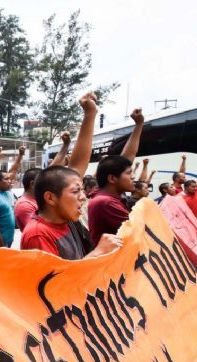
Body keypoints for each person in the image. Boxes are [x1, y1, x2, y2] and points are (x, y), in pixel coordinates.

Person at [22, 92, 122, 260]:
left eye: (82, 190)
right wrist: (99, 253)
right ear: (51, 198)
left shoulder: (63, 217)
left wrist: (90, 115)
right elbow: (54, 284)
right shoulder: (38, 234)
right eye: (76, 191)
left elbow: (77, 165)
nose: (83, 197)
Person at [87, 155, 134, 246]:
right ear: (112, 178)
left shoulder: (103, 197)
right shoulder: (106, 202)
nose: (133, 176)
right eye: (129, 173)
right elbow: (138, 230)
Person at [14, 167, 41, 232]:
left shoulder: (36, 199)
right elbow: (36, 231)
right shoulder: (24, 205)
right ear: (32, 184)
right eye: (44, 182)